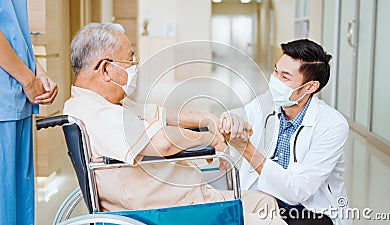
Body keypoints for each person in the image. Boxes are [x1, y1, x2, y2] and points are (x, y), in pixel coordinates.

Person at [64, 23, 286, 225]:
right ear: (105, 69)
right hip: (166, 212)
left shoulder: (112, 103)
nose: (134, 67)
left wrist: (210, 121)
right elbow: (163, 143)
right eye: (130, 60)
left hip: (189, 198)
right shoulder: (93, 111)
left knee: (264, 202)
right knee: (269, 221)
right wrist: (209, 138)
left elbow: (163, 115)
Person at [219, 39, 351, 225]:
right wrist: (230, 120)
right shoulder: (267, 102)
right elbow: (241, 114)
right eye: (275, 71)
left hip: (308, 210)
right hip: (264, 197)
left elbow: (299, 191)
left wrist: (246, 149)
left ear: (310, 87)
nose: (275, 80)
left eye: (285, 77)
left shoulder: (332, 125)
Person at [0, 1, 58, 224]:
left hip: (16, 97)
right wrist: (27, 79)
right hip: (7, 96)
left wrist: (37, 73)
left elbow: (16, 29)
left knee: (18, 205)